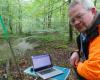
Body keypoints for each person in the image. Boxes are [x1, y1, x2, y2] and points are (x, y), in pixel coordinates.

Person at [68, 0, 100, 80]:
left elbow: (93, 72)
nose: (76, 22)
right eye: (73, 20)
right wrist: (77, 52)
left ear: (93, 11)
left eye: (79, 16)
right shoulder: (83, 35)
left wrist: (77, 64)